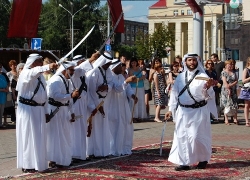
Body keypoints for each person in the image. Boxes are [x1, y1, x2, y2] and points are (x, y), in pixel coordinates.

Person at [165, 53, 217, 171]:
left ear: (197, 62)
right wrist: (170, 109)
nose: (192, 63)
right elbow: (174, 93)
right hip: (183, 111)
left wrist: (208, 87)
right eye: (189, 60)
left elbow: (208, 96)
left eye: (194, 60)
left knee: (196, 137)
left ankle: (203, 159)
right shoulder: (180, 77)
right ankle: (184, 162)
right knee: (182, 137)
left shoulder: (203, 76)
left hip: (198, 111)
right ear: (185, 62)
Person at [16, 54, 57, 173]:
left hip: (39, 110)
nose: (41, 63)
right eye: (39, 61)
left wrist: (45, 112)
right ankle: (27, 164)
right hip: (28, 110)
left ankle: (38, 163)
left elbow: (44, 95)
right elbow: (32, 72)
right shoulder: (26, 73)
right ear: (33, 63)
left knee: (39, 138)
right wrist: (47, 66)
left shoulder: (40, 77)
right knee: (28, 136)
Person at [46, 61, 80, 168]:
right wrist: (71, 95)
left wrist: (72, 112)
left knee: (65, 136)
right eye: (71, 70)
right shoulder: (56, 80)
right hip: (55, 110)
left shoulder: (67, 81)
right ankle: (54, 159)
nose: (73, 72)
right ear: (65, 70)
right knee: (55, 136)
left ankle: (64, 158)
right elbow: (56, 96)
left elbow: (69, 99)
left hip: (64, 111)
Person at [86, 52, 114, 157]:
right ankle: (93, 152)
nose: (108, 66)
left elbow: (111, 83)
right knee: (95, 128)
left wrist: (106, 87)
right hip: (95, 103)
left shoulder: (108, 72)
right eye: (107, 63)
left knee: (104, 126)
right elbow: (91, 91)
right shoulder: (94, 72)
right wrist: (98, 106)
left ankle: (103, 150)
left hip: (105, 101)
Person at [107, 59, 137, 156]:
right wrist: (126, 81)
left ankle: (124, 148)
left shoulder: (121, 76)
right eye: (120, 66)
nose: (122, 67)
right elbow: (117, 89)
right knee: (114, 128)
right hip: (114, 106)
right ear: (114, 67)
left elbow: (127, 89)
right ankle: (113, 150)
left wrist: (132, 95)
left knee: (126, 126)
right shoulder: (110, 77)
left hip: (124, 106)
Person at [128, 57, 147, 122]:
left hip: (141, 86)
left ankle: (139, 116)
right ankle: (133, 116)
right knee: (134, 101)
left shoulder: (140, 69)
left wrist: (143, 76)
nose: (133, 64)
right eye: (132, 63)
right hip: (134, 87)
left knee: (141, 101)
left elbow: (144, 75)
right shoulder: (130, 70)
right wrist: (140, 78)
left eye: (135, 62)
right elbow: (132, 80)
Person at [220, 59, 238, 125]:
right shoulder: (223, 72)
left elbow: (236, 80)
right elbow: (225, 83)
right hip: (225, 90)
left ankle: (235, 118)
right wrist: (229, 87)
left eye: (231, 64)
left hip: (233, 90)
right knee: (226, 104)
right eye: (228, 64)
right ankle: (226, 120)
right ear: (226, 65)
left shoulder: (233, 72)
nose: (230, 66)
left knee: (234, 104)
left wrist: (231, 85)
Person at [4, 60, 18, 124]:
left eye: (15, 65)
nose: (14, 66)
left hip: (18, 90)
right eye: (13, 65)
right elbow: (8, 82)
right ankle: (13, 119)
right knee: (12, 105)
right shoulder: (8, 73)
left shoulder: (19, 73)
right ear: (10, 66)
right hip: (11, 90)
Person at [152, 58, 166, 122]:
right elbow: (156, 84)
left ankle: (158, 116)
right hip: (158, 90)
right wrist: (158, 92)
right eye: (160, 67)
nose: (161, 68)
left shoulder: (160, 73)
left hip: (162, 89)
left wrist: (163, 74)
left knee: (160, 104)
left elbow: (164, 81)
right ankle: (156, 117)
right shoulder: (156, 74)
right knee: (159, 104)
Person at [239, 57, 250, 127]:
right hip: (248, 89)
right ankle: (247, 121)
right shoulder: (246, 70)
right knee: (247, 105)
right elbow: (243, 80)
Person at [0, 63, 9, 128]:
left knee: (1, 111)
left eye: (0, 67)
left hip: (3, 96)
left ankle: (0, 123)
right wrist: (3, 90)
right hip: (2, 93)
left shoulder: (3, 76)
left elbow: (6, 85)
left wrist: (6, 89)